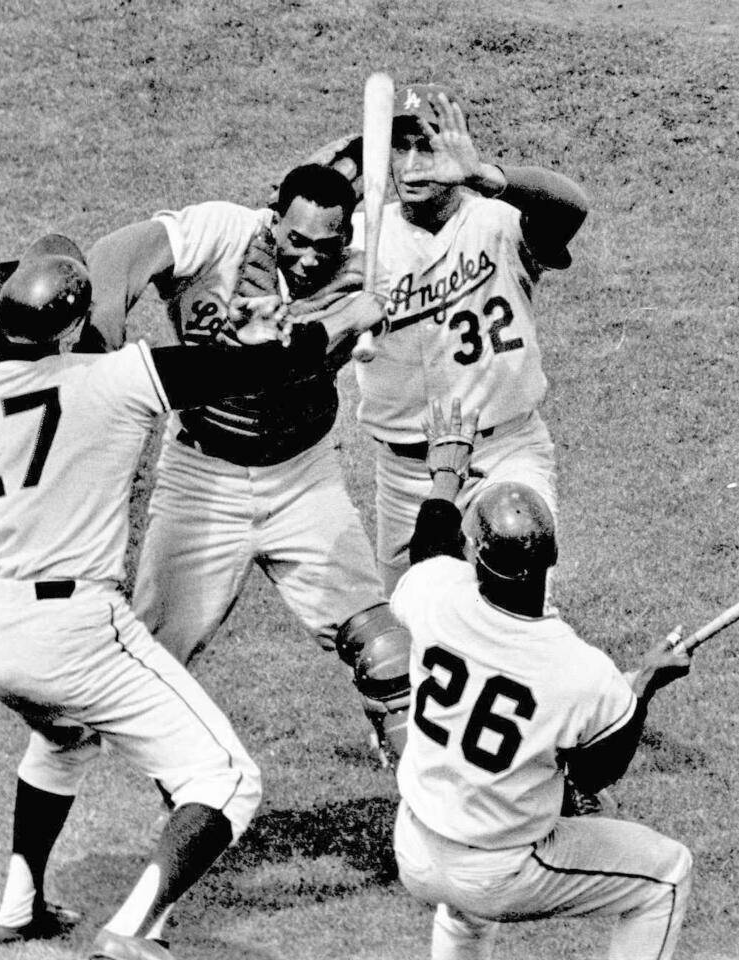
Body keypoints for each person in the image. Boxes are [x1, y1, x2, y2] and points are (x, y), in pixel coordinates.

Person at [0, 234, 381, 959]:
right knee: (227, 782)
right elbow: (264, 369)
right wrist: (349, 315)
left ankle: (19, 907)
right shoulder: (114, 378)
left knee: (64, 734)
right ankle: (130, 935)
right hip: (73, 631)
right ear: (73, 328)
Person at [85, 163, 411, 763]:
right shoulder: (222, 233)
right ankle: (192, 801)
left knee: (386, 651)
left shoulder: (368, 275)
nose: (311, 259)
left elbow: (301, 357)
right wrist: (97, 347)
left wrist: (360, 306)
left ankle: (437, 812)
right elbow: (119, 253)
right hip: (201, 478)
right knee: (148, 667)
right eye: (297, 240)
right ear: (273, 216)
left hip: (302, 476)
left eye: (327, 245)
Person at [389, 398, 693, 960]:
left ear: (474, 559)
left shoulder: (435, 596)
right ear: (552, 558)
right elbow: (599, 771)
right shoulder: (579, 670)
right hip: (502, 869)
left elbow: (428, 548)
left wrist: (446, 472)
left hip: (416, 847)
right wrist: (643, 685)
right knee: (667, 874)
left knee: (464, 911)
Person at [304, 82, 590, 596]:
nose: (412, 164)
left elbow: (572, 208)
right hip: (405, 472)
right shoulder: (360, 240)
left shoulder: (499, 222)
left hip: (503, 452)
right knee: (414, 631)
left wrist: (488, 178)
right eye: (400, 147)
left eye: (428, 145)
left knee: (517, 602)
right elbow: (285, 229)